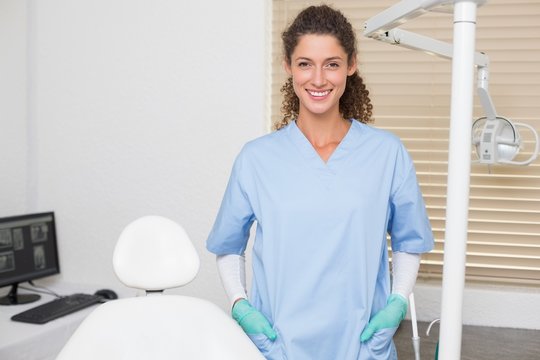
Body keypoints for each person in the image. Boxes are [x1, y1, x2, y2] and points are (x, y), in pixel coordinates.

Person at [206, 5, 433, 360]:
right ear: (288, 67)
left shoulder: (386, 153)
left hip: (361, 346)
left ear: (351, 65)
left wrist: (397, 303)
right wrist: (240, 306)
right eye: (305, 64)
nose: (318, 79)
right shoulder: (256, 159)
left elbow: (409, 242)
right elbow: (228, 246)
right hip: (278, 346)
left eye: (332, 64)